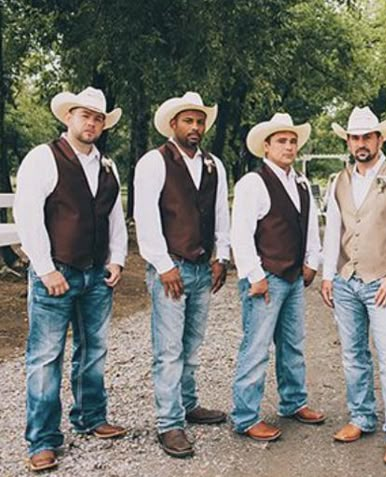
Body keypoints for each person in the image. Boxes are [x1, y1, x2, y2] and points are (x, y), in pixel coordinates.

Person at [14, 87, 128, 472]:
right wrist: (45, 268)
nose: (92, 123)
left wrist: (117, 260)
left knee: (93, 351)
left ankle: (91, 417)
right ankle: (42, 440)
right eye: (85, 116)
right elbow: (28, 215)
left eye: (98, 118)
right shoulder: (44, 157)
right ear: (69, 118)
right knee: (46, 357)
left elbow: (114, 216)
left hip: (97, 274)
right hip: (57, 272)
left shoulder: (107, 166)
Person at [321, 106, 386, 465]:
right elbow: (333, 231)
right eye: (355, 137)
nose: (361, 143)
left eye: (367, 137)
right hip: (347, 281)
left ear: (380, 139)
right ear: (348, 142)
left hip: (382, 281)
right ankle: (361, 417)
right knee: (353, 356)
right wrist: (327, 275)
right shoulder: (338, 181)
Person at [134, 92, 230, 458]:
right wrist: (163, 264)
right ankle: (169, 423)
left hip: (203, 267)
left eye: (200, 121)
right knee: (169, 349)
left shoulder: (214, 165)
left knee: (191, 345)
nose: (195, 127)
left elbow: (221, 213)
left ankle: (189, 404)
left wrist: (222, 255)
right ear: (172, 124)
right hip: (170, 267)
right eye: (188, 121)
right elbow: (146, 218)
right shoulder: (154, 162)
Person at [230, 112, 325, 441]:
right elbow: (240, 234)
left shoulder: (300, 183)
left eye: (292, 141)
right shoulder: (253, 183)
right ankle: (245, 416)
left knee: (293, 344)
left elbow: (309, 226)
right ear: (266, 147)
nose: (289, 146)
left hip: (294, 277)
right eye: (282, 141)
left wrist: (313, 261)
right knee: (255, 348)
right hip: (265, 278)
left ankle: (293, 401)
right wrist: (254, 276)